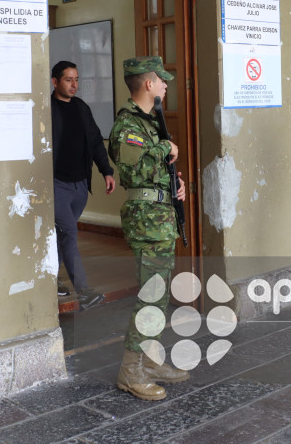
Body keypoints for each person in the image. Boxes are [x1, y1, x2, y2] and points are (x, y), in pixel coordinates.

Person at [108, 56, 189, 401]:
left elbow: (153, 171)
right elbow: (131, 172)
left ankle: (150, 360)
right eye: (162, 80)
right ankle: (130, 371)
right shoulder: (129, 126)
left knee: (159, 295)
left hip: (161, 217)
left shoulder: (150, 122)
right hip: (147, 222)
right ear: (147, 84)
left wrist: (176, 184)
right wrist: (163, 148)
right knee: (150, 297)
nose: (167, 85)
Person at [51, 60, 115, 309]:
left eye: (76, 79)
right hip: (57, 184)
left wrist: (106, 172)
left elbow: (96, 141)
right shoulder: (47, 109)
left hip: (80, 186)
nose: (74, 84)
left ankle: (52, 279)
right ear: (55, 81)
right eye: (68, 79)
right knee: (69, 232)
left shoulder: (81, 108)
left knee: (61, 233)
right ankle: (84, 291)